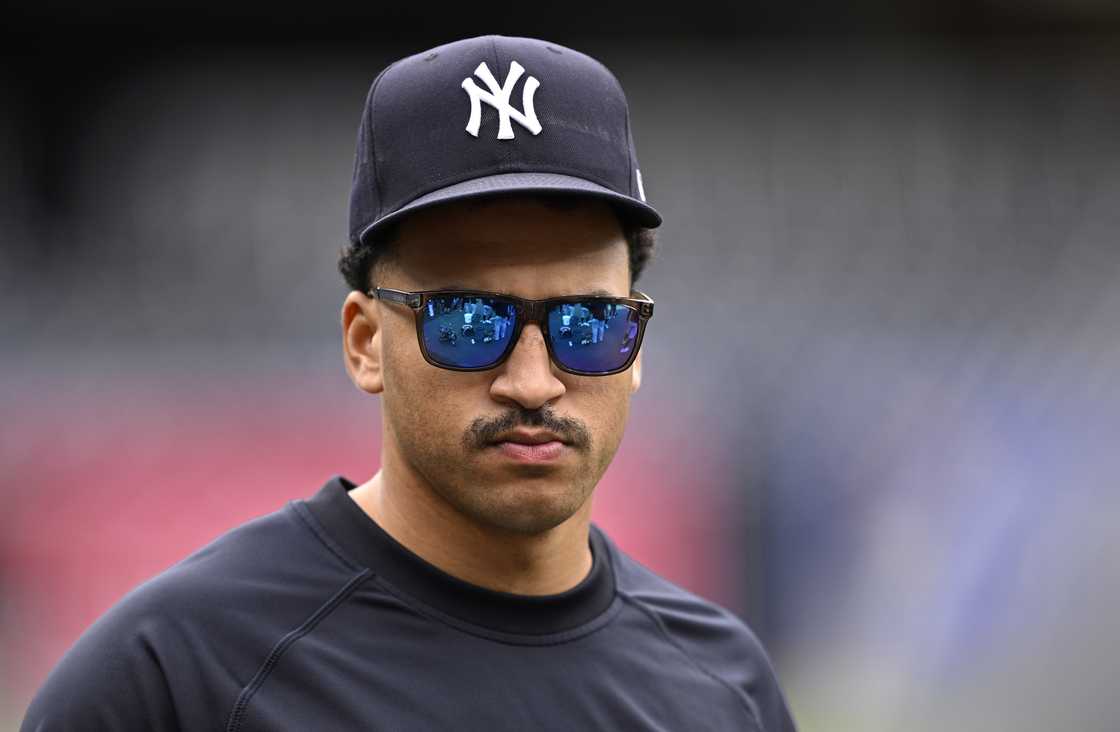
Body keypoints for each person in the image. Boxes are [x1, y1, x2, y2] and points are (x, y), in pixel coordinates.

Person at [22, 34, 796, 731]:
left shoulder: (724, 688)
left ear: (637, 346)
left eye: (586, 324)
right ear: (365, 343)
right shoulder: (173, 677)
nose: (532, 383)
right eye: (468, 322)